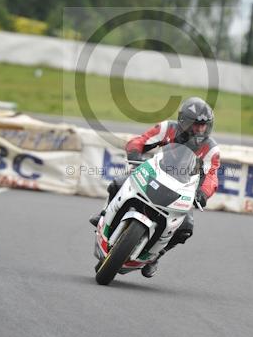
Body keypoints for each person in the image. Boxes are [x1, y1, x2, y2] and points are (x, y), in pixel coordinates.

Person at [90, 97, 221, 278]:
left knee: (186, 226)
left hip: (182, 185)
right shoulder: (168, 128)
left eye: (204, 125)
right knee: (117, 183)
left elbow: (212, 175)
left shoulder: (210, 148)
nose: (201, 129)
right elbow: (142, 140)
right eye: (197, 124)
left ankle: (157, 255)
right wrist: (136, 153)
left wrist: (203, 193)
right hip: (155, 172)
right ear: (184, 122)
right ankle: (104, 213)